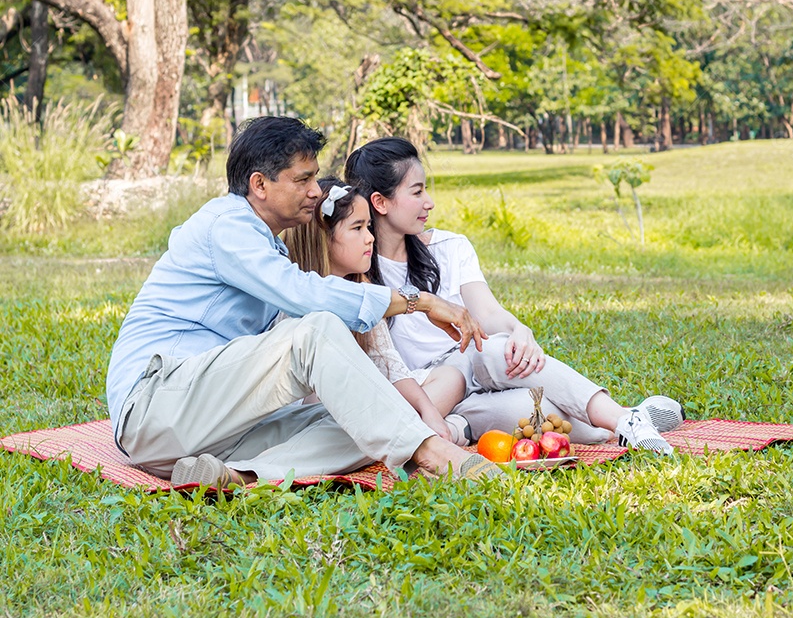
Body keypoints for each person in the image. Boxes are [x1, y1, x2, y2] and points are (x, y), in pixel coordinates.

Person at [105, 117, 502, 489]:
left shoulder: (267, 244)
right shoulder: (226, 227)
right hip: (155, 408)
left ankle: (239, 476)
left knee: (365, 415)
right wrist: (420, 302)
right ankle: (430, 452)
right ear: (260, 185)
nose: (316, 191)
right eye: (303, 179)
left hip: (209, 432)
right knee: (315, 328)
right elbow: (304, 296)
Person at [344, 137, 684, 454]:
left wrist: (519, 329)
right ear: (380, 202)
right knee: (552, 417)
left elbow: (487, 313)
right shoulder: (355, 267)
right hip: (434, 392)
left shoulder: (450, 247)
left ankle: (627, 421)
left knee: (493, 349)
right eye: (417, 192)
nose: (429, 202)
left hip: (475, 359)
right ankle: (627, 417)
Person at [280, 177, 471, 446]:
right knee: (333, 410)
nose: (370, 238)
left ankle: (417, 430)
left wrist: (428, 410)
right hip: (316, 410)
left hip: (370, 403)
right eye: (357, 228)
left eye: (368, 226)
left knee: (451, 378)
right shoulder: (298, 296)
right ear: (323, 237)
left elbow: (388, 363)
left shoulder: (363, 288)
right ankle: (421, 434)